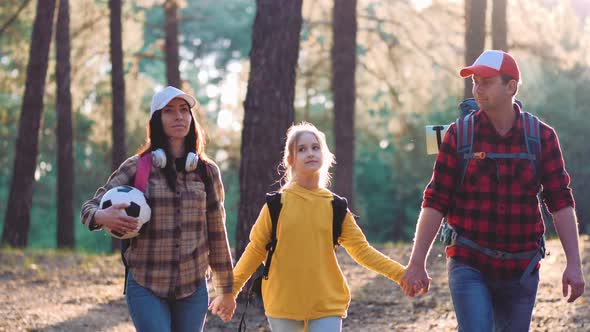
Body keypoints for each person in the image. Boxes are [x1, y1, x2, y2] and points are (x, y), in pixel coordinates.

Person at [401, 50, 585, 331]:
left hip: (522, 269)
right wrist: (416, 263)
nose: (477, 88)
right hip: (468, 262)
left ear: (511, 87)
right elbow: (435, 200)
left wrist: (574, 264)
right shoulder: (458, 135)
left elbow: (560, 202)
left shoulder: (542, 137)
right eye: (475, 81)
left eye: (486, 81)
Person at [209, 122, 406, 331]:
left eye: (315, 147)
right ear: (290, 160)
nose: (310, 153)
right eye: (302, 149)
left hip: (327, 303)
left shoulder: (336, 207)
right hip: (282, 304)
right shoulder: (276, 205)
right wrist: (230, 291)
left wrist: (402, 274)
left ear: (325, 155)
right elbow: (255, 250)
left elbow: (363, 251)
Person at [81, 86, 235, 332]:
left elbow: (217, 233)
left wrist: (227, 290)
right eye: (169, 111)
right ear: (157, 119)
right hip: (145, 284)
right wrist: (101, 215)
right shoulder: (136, 167)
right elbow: (90, 207)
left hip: (193, 287)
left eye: (184, 110)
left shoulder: (207, 172)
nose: (179, 116)